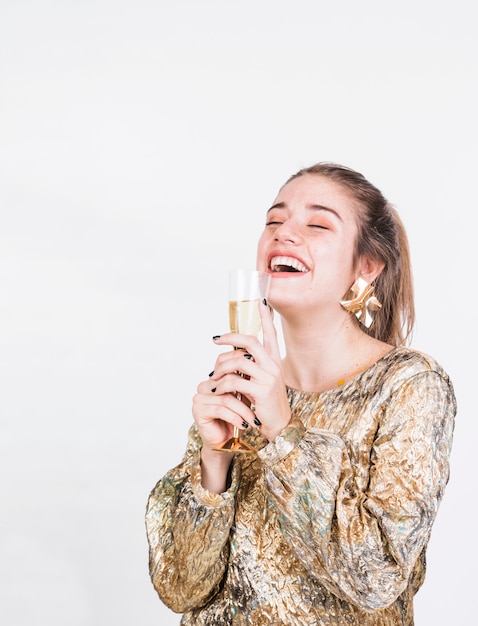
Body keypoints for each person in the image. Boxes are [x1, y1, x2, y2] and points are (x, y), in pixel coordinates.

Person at [145, 163, 456, 625]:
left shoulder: (409, 385)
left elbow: (375, 576)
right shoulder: (242, 386)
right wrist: (214, 461)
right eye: (274, 221)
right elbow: (180, 588)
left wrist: (282, 430)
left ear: (366, 267)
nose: (284, 234)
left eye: (317, 224)